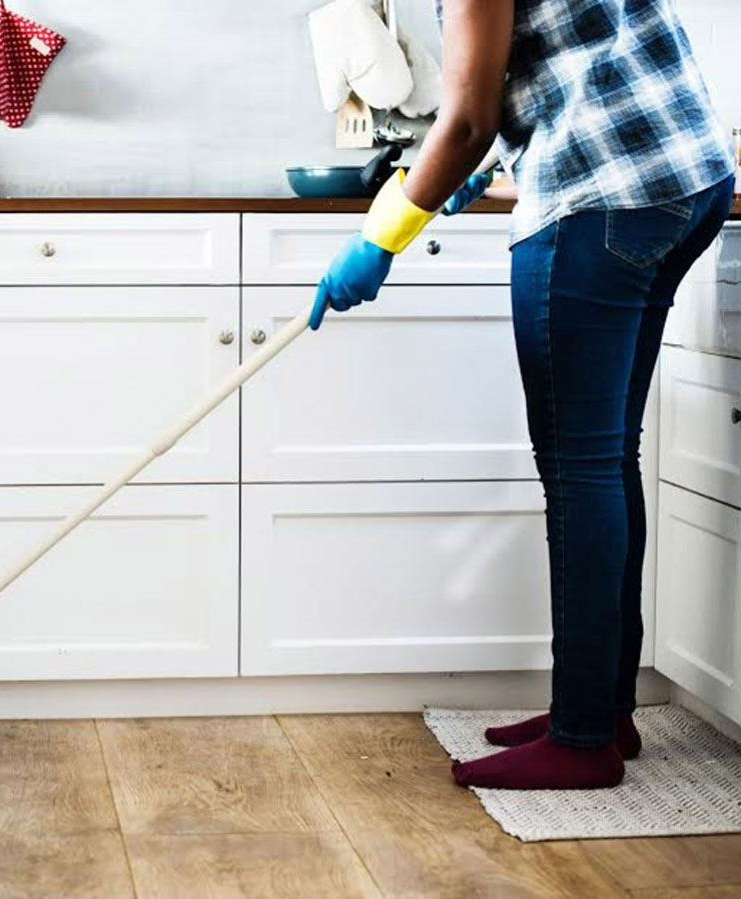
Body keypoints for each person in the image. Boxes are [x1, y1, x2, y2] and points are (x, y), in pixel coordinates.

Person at [312, 0, 736, 790]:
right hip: (685, 182)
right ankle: (601, 709)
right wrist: (482, 164)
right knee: (606, 459)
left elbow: (467, 117)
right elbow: (562, 60)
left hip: (602, 198)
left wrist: (382, 238)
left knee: (580, 469)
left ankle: (582, 739)